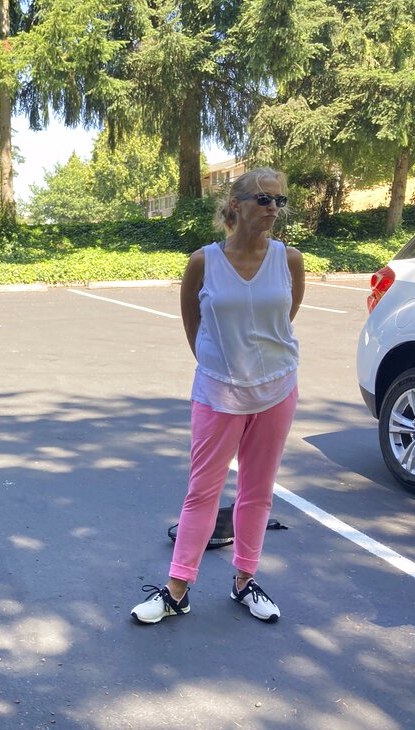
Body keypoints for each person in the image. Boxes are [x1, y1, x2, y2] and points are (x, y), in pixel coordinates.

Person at [130, 167, 304, 626]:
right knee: (201, 492)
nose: (273, 208)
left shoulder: (290, 260)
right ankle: (176, 591)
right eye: (263, 199)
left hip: (276, 390)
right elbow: (194, 324)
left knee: (257, 492)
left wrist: (259, 361)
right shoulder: (203, 262)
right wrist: (221, 365)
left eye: (279, 201)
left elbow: (285, 320)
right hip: (217, 393)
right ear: (235, 205)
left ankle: (245, 581)